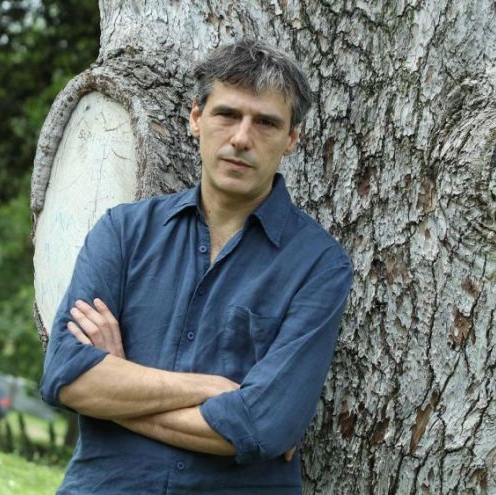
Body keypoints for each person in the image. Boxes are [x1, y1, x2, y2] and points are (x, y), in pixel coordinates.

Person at [40, 39, 353, 494]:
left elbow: (262, 426)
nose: (241, 138)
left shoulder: (319, 266)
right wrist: (214, 388)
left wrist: (117, 385)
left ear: (291, 139)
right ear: (196, 118)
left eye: (266, 122)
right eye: (227, 114)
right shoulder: (125, 232)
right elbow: (67, 377)